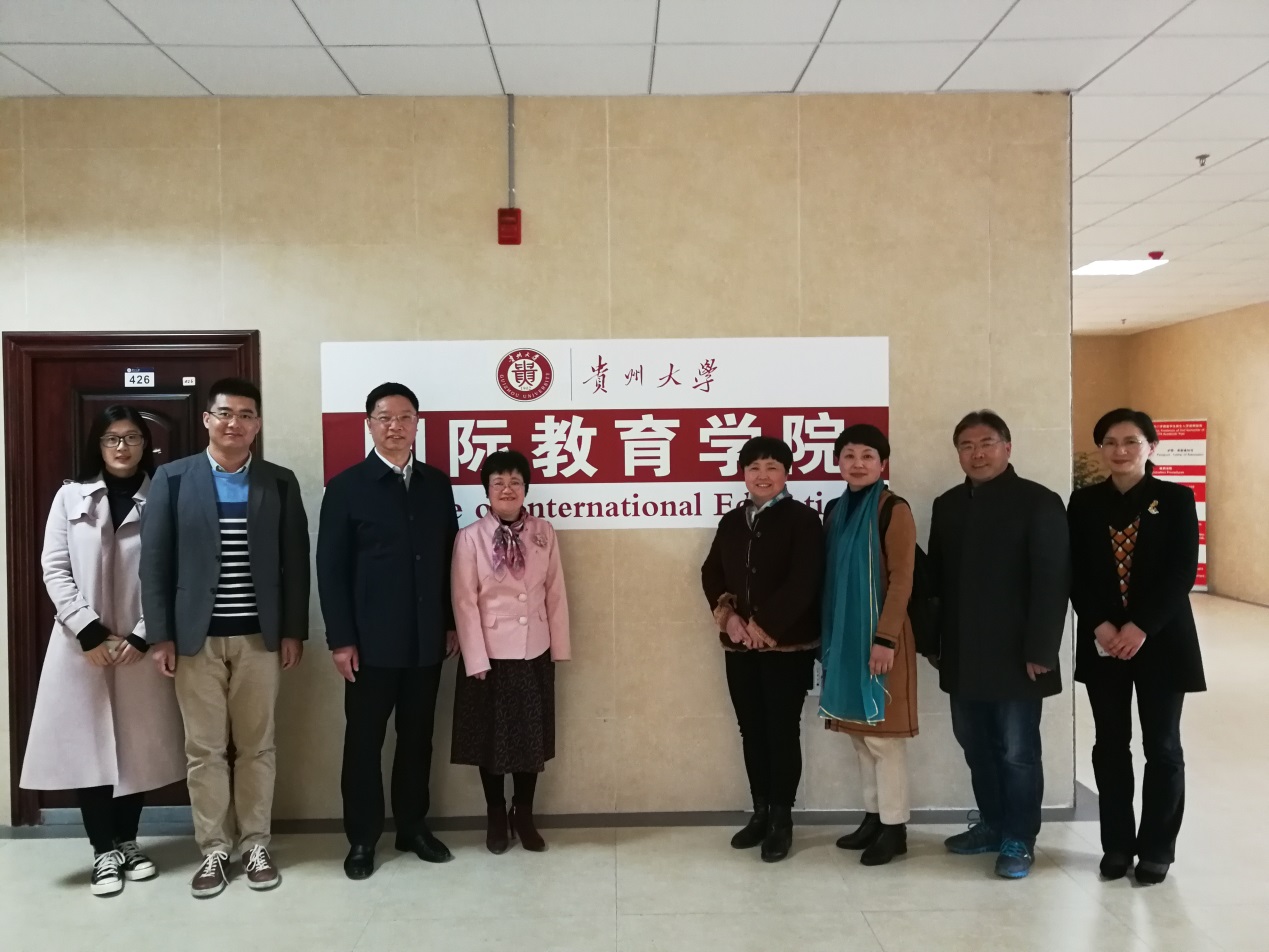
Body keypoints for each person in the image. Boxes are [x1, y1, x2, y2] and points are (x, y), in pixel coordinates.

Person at [141, 378, 310, 899]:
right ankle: (214, 849)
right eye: (225, 413)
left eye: (246, 415)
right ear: (207, 420)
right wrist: (161, 636)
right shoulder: (172, 479)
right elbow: (155, 563)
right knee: (204, 750)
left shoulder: (279, 482)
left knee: (258, 747)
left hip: (260, 639)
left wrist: (293, 631)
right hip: (195, 641)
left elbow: (296, 563)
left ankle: (256, 843)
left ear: (257, 424)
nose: (235, 423)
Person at [20, 407, 185, 897]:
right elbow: (54, 567)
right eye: (112, 438)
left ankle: (128, 841)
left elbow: (174, 572)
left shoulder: (163, 497)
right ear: (98, 444)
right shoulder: (69, 497)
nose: (122, 447)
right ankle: (102, 850)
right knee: (87, 746)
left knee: (137, 745)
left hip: (139, 647)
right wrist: (88, 632)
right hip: (81, 648)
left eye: (132, 437)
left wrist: (142, 634)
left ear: (145, 444)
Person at [317, 382, 459, 881]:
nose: (395, 426)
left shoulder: (436, 485)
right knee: (364, 743)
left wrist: (449, 623)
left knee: (417, 739)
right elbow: (330, 570)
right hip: (368, 644)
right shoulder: (347, 486)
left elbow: (450, 560)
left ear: (418, 424)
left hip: (426, 640)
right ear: (369, 425)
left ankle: (412, 827)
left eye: (404, 417)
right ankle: (362, 838)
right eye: (384, 417)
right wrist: (340, 640)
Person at [927, 410, 1069, 879]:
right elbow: (936, 582)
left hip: (1019, 655)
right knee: (975, 745)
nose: (977, 454)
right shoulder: (948, 504)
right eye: (966, 446)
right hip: (963, 652)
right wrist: (933, 642)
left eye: (987, 443)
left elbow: (1053, 581)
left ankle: (1019, 837)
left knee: (1017, 751)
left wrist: (1042, 650)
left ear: (1007, 447)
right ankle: (991, 823)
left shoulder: (1039, 502)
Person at [1069, 408, 1204, 885]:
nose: (1120, 451)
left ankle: (1157, 848)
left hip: (1162, 641)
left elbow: (1181, 572)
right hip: (1104, 641)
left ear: (1151, 447)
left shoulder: (1176, 499)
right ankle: (1117, 845)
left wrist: (1141, 627)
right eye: (1109, 442)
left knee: (1162, 746)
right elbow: (1075, 571)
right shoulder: (1083, 503)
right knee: (1110, 745)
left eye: (1131, 441)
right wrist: (1101, 625)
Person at [701, 436, 824, 863]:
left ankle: (781, 820)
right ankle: (760, 812)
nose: (762, 475)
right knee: (751, 729)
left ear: (787, 473)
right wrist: (730, 619)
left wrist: (764, 626)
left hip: (787, 648)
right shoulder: (732, 522)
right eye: (754, 467)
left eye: (772, 467)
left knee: (781, 731)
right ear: (743, 474)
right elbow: (711, 572)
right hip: (739, 649)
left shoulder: (803, 520)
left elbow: (805, 581)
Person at [450, 450, 570, 854]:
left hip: (534, 650)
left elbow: (555, 591)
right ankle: (496, 814)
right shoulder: (469, 537)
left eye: (515, 482)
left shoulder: (543, 532)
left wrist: (558, 648)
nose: (507, 489)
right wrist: (475, 659)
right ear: (486, 490)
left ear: (526, 489)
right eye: (498, 482)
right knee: (490, 740)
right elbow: (464, 602)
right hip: (489, 655)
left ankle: (524, 813)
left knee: (529, 739)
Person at [820, 424, 918, 867]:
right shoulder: (835, 510)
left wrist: (885, 639)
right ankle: (873, 818)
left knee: (884, 739)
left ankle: (895, 829)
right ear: (838, 462)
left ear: (883, 464)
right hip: (846, 637)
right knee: (859, 736)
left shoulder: (893, 509)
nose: (857, 464)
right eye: (849, 456)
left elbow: (902, 579)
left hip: (882, 638)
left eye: (867, 456)